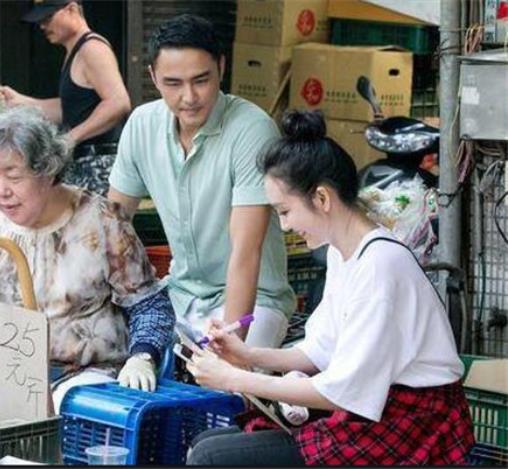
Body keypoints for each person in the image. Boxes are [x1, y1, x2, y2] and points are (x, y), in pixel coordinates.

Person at [184, 110, 475, 466]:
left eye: (285, 211)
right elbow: (320, 352)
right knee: (209, 444)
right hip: (376, 409)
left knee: (211, 455)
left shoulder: (380, 265)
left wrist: (235, 378)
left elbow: (341, 391)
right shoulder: (344, 252)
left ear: (322, 198)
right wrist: (247, 355)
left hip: (414, 424)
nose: (284, 226)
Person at [0, 106, 174, 414]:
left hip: (82, 378)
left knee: (65, 416)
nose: (1, 191)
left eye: (14, 177)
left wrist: (143, 356)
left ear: (47, 171)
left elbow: (148, 304)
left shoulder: (102, 221)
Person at [108, 14, 295, 350]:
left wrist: (231, 348)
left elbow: (246, 251)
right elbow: (113, 227)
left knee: (224, 379)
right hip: (178, 294)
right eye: (173, 83)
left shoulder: (252, 129)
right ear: (153, 76)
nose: (189, 97)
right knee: (111, 355)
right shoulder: (141, 124)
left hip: (254, 302)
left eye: (201, 80)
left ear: (221, 67)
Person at [0, 0, 130, 196]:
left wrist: (70, 138)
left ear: (71, 9)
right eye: (40, 21)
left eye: (48, 18)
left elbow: (118, 102)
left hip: (99, 164)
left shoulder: (92, 49)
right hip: (80, 164)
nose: (42, 26)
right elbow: (71, 109)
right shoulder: (74, 51)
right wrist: (21, 102)